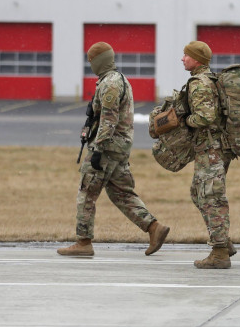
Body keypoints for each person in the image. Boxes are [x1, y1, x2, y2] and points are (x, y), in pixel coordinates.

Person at [58, 42, 170, 258]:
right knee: (121, 194)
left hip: (107, 147)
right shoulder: (119, 80)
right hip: (119, 147)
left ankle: (83, 242)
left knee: (86, 193)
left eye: (91, 61)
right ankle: (154, 228)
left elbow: (109, 120)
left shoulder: (110, 84)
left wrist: (98, 149)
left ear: (99, 61)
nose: (90, 65)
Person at [182, 41, 236, 269]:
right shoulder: (209, 79)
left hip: (211, 148)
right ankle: (224, 241)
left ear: (197, 60)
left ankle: (220, 252)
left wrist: (185, 121)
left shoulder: (200, 83)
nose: (182, 59)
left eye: (186, 56)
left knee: (212, 197)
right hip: (215, 147)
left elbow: (205, 117)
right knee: (198, 192)